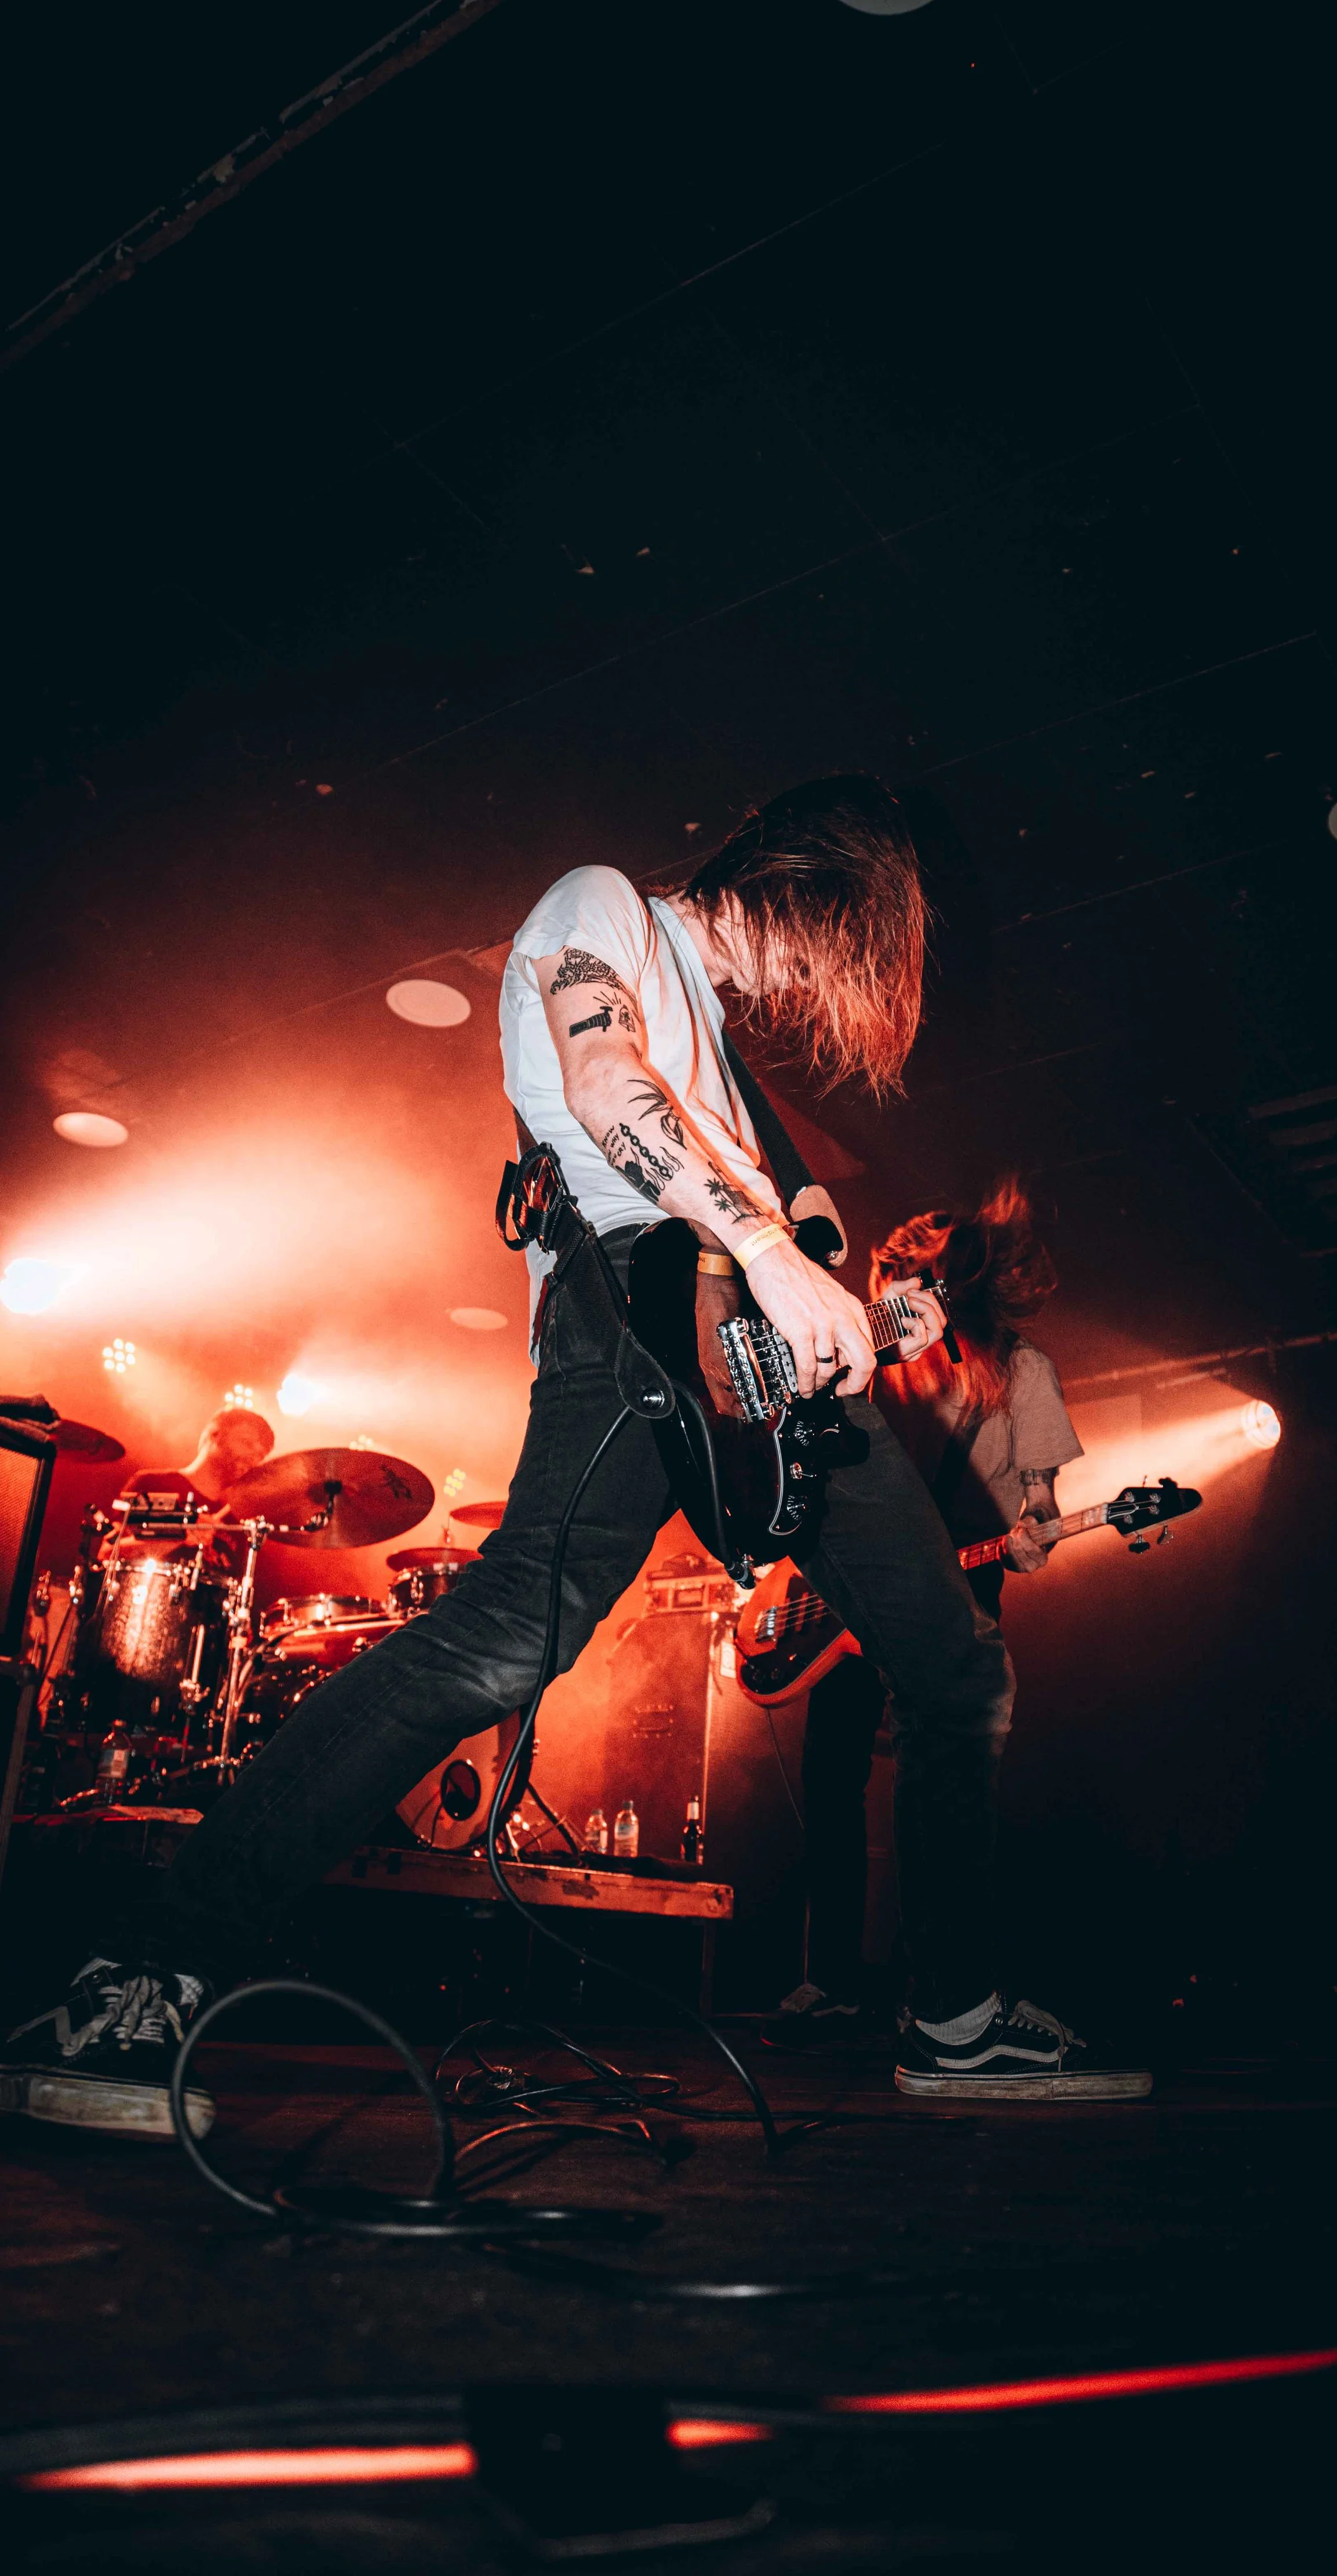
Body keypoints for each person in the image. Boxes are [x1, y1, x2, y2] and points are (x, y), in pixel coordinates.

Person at [5, 776, 1149, 2134]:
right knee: (499, 1641)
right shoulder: (604, 906)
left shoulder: (735, 1073)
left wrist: (870, 1310)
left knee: (959, 1666)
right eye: (832, 948)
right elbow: (607, 1086)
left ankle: (957, 2017)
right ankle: (146, 1975)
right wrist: (776, 1255)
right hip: (629, 1310)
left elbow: (812, 1252)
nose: (817, 985)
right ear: (797, 889)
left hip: (760, 1390)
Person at [766, 1184, 1084, 2045]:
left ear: (961, 1279)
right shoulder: (874, 1356)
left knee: (939, 1774)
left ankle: (937, 1993)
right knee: (832, 1784)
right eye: (893, 1270)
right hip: (852, 1599)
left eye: (920, 1268)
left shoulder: (1022, 1371)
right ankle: (831, 1979)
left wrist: (1036, 1534)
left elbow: (1042, 1508)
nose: (898, 1283)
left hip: (955, 1591)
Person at [121, 1405, 275, 1512]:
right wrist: (180, 1533)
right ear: (214, 1435)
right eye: (247, 1443)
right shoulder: (152, 1485)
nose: (253, 1459)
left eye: (260, 1456)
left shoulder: (233, 1521)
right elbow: (109, 1552)